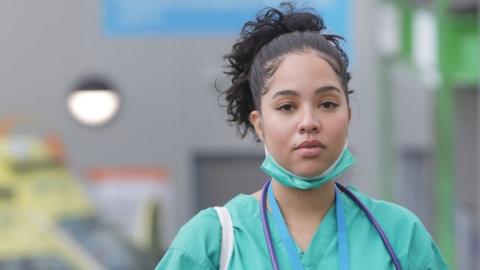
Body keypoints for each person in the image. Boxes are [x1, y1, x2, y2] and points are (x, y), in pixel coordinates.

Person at [156, 3, 448, 269]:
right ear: (259, 124)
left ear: (348, 114)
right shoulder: (214, 241)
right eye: (287, 107)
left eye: (328, 104)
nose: (308, 122)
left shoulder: (399, 237)